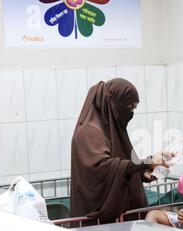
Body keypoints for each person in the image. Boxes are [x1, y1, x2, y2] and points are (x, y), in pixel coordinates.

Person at [70, 78, 170, 223]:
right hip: (96, 221)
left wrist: (144, 173)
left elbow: (124, 164)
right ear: (114, 104)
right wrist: (147, 161)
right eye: (129, 107)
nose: (131, 113)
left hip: (118, 218)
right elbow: (104, 168)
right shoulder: (89, 132)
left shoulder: (112, 128)